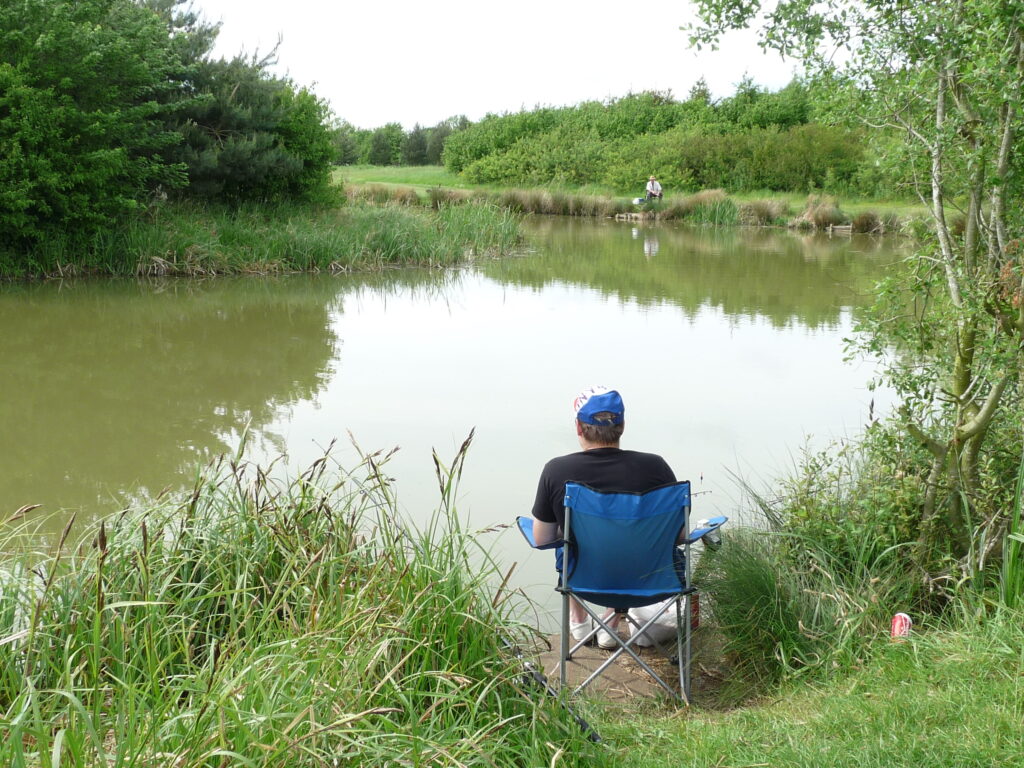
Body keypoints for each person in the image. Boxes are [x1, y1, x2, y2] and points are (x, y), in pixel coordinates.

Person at [530, 386, 677, 649]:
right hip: (650, 582)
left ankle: (579, 621)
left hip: (584, 582)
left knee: (567, 538)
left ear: (578, 427)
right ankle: (611, 620)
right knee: (632, 538)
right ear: (622, 425)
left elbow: (542, 539)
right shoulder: (656, 466)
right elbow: (678, 535)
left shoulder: (557, 470)